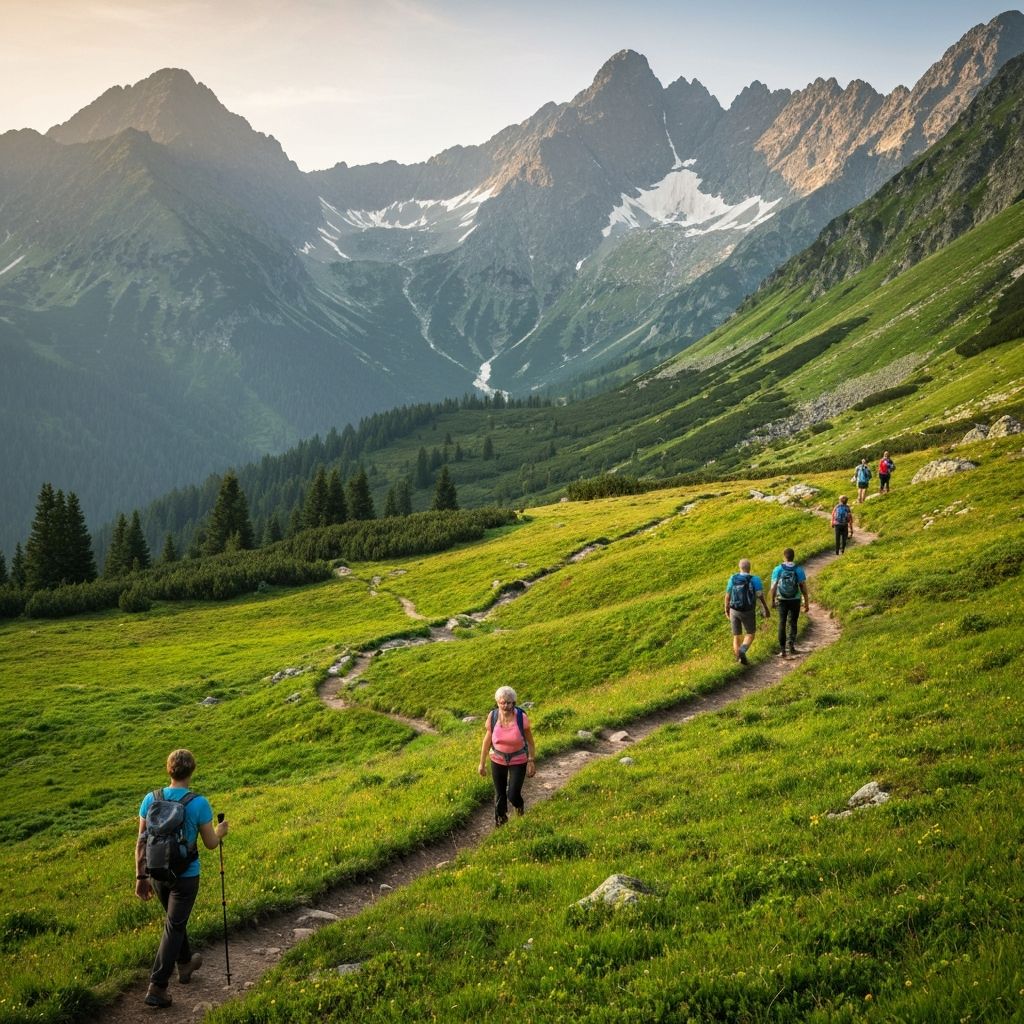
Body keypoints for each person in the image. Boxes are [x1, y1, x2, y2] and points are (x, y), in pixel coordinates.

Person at [135, 749, 229, 1009]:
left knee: (175, 922)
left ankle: (185, 962)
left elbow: (141, 842)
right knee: (174, 926)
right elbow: (210, 843)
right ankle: (157, 986)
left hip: (156, 873)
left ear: (169, 770)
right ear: (192, 771)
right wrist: (220, 832)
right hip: (186, 875)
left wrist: (140, 877)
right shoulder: (198, 803)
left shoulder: (150, 799)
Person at [479, 686, 536, 825]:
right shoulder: (492, 717)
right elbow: (486, 741)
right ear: (497, 702)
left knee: (513, 794)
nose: (505, 705)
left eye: (509, 702)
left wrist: (531, 760)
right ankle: (501, 821)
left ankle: (519, 806)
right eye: (502, 702)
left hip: (518, 759)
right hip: (497, 759)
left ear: (514, 703)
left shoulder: (521, 718)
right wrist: (482, 763)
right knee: (499, 794)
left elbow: (530, 741)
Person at [724, 558, 770, 665]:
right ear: (750, 568)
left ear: (740, 568)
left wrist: (726, 610)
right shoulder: (755, 579)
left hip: (734, 609)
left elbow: (727, 596)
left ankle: (738, 660)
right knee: (750, 634)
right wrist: (765, 608)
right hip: (748, 610)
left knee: (736, 636)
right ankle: (742, 651)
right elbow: (760, 596)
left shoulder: (733, 578)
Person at [769, 548, 810, 657]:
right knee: (793, 622)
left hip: (781, 599)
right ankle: (791, 646)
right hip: (795, 599)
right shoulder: (798, 569)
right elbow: (803, 587)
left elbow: (773, 588)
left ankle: (782, 650)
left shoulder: (778, 569)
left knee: (782, 622)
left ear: (784, 557)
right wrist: (806, 602)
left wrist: (772, 601)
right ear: (793, 557)